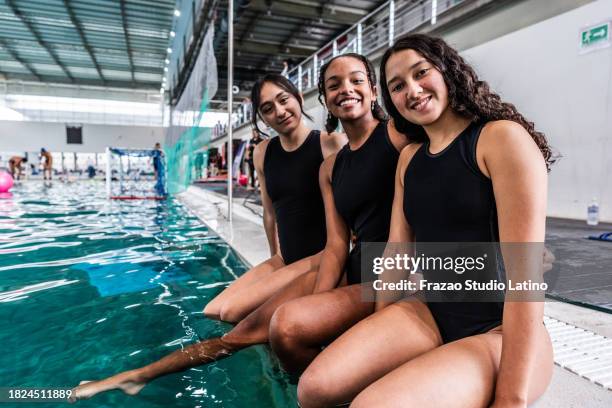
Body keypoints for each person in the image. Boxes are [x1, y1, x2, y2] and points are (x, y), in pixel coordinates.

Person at [296, 34, 555, 408]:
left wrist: (510, 399)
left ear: (448, 71)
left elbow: (525, 278)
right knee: (314, 388)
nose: (413, 90)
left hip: (500, 328)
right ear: (389, 99)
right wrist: (380, 332)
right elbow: (398, 256)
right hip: (430, 311)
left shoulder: (500, 140)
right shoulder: (410, 159)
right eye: (398, 86)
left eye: (421, 73)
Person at [69, 73, 346, 402]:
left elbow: (343, 217)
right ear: (261, 116)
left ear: (298, 97)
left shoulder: (328, 143)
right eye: (268, 108)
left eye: (284, 100)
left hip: (318, 256)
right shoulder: (262, 152)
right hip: (285, 258)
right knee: (217, 310)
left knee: (237, 323)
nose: (280, 112)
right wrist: (276, 261)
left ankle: (136, 376)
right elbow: (270, 212)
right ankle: (265, 332)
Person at [266, 53, 409, 374]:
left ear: (374, 90)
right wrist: (319, 305)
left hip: (404, 272)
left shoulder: (400, 136)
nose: (346, 89)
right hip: (361, 272)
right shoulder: (330, 168)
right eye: (334, 85)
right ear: (325, 101)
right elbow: (335, 246)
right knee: (286, 328)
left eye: (356, 81)